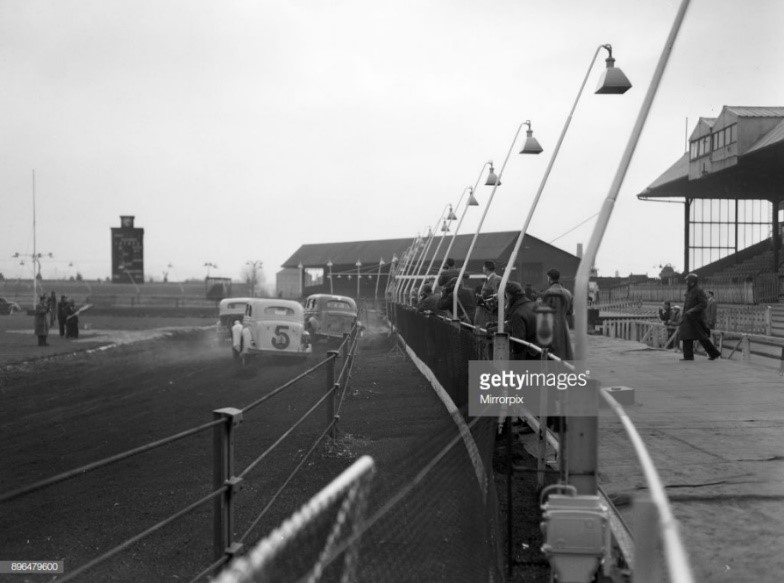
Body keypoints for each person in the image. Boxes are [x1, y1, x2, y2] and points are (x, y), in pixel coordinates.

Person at [678, 273, 721, 361]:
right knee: (687, 336)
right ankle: (688, 356)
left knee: (701, 337)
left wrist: (692, 310)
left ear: (692, 282)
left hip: (695, 319)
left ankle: (714, 353)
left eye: (687, 281)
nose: (686, 282)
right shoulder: (690, 291)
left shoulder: (698, 290)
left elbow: (703, 304)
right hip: (688, 318)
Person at [541, 268, 574, 360]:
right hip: (564, 324)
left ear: (549, 278)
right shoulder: (568, 293)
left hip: (552, 325)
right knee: (565, 351)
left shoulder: (548, 293)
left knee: (552, 352)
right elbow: (570, 312)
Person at [504, 282, 539, 359]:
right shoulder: (535, 305)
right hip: (539, 352)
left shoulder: (518, 313)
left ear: (509, 295)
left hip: (527, 357)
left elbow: (518, 342)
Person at [474, 261, 502, 329]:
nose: (482, 268)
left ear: (486, 268)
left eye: (483, 266)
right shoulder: (488, 279)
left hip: (490, 313)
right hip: (486, 312)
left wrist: (484, 298)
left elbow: (497, 295)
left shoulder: (496, 279)